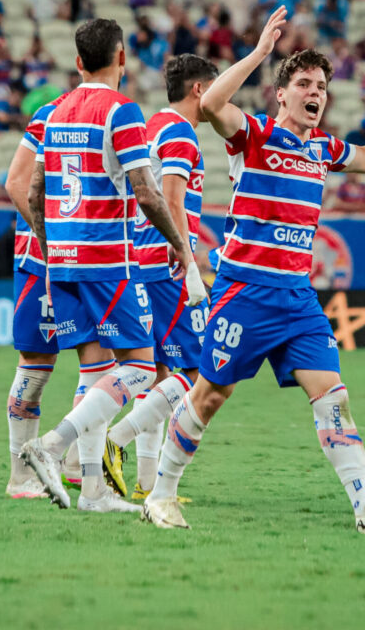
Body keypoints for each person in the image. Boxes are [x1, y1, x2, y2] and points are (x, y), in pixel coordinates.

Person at [140, 6, 365, 533]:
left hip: (297, 300)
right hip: (245, 292)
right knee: (209, 395)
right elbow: (211, 104)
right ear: (281, 94)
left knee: (333, 395)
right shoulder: (253, 135)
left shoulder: (323, 149)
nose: (316, 92)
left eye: (322, 85)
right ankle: (160, 495)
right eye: (304, 83)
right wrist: (260, 53)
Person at [19, 18, 206, 513]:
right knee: (142, 369)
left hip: (60, 264)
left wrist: (51, 244)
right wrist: (182, 249)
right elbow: (146, 190)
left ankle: (95, 494)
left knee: (94, 371)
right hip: (109, 260)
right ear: (121, 58)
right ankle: (53, 446)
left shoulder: (56, 114)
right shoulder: (121, 111)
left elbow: (35, 192)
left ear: (79, 61)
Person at [105, 54, 217, 501]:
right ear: (198, 90)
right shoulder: (181, 132)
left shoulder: (153, 127)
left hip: (140, 260)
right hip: (165, 266)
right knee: (195, 370)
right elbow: (170, 197)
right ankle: (117, 440)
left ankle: (148, 484)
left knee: (156, 373)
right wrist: (188, 260)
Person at [2, 89, 72, 499]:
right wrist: (53, 240)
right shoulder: (52, 114)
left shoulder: (113, 112)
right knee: (37, 361)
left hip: (90, 259)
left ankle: (82, 465)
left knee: (101, 357)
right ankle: (20, 476)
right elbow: (16, 183)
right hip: (43, 260)